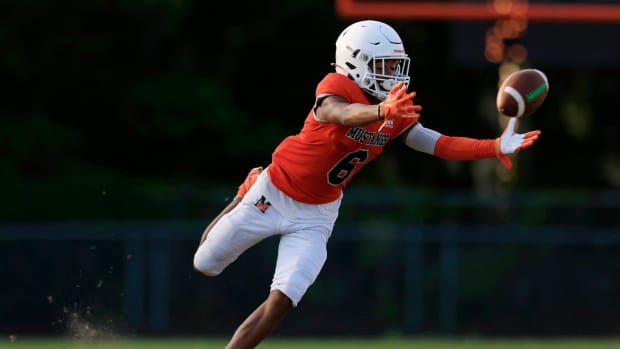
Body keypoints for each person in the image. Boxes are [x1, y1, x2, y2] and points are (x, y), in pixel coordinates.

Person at [193, 19, 540, 349]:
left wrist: (493, 147)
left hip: (317, 214)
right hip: (275, 188)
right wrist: (380, 113)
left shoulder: (394, 108)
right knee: (205, 263)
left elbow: (438, 143)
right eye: (384, 65)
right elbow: (338, 113)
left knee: (283, 299)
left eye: (395, 65)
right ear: (355, 63)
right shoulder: (337, 86)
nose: (393, 74)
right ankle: (243, 192)